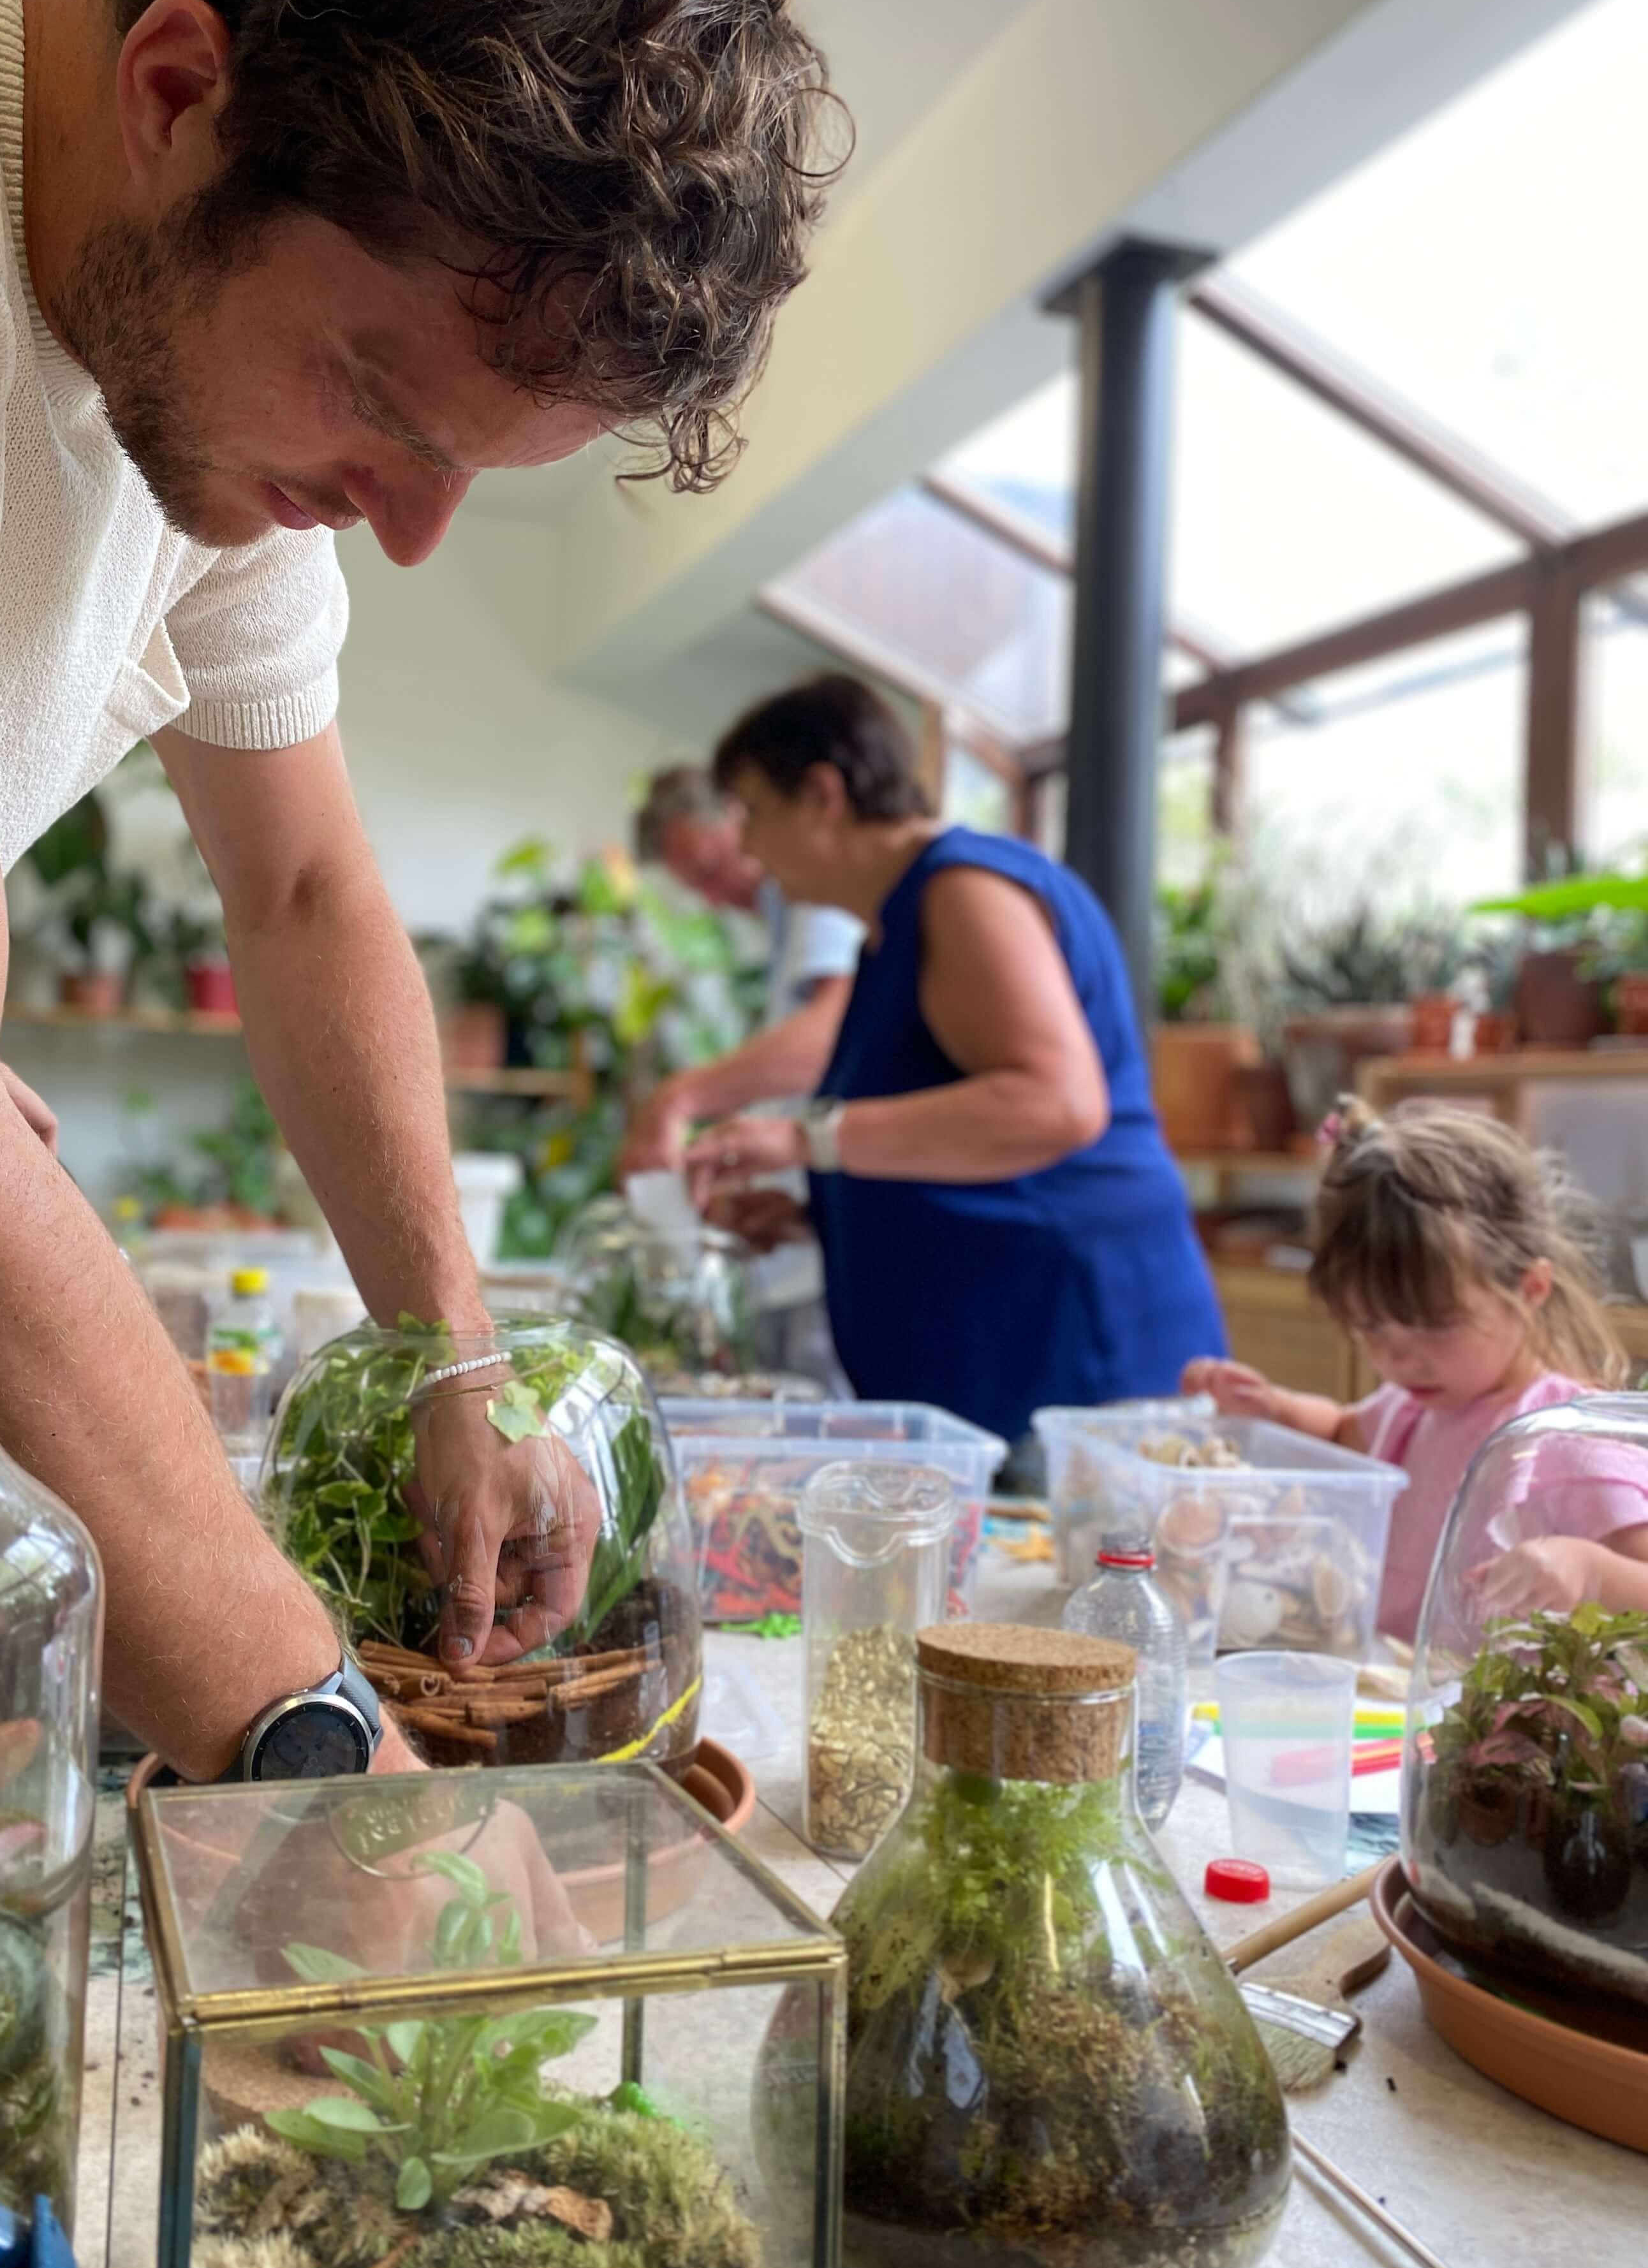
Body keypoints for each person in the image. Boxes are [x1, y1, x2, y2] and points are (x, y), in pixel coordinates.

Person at [0, 0, 835, 1781]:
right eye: (387, 415)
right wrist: (333, 1772)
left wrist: (457, 1361)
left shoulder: (203, 408)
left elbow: (307, 890)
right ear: (177, 92)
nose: (406, 536)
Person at [681, 674, 1225, 1443]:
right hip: (1004, 1374)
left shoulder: (964, 889)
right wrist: (822, 1215)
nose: (746, 847)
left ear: (822, 794)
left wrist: (807, 1139)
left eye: (753, 812)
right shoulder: (892, 929)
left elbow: (1057, 1105)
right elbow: (959, 1142)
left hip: (1077, 1367)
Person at [1184, 1095, 1648, 1641]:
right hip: (1393, 1684)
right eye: (1371, 1327)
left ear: (1530, 1289)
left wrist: (1590, 1572)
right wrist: (1272, 1409)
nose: (1399, 1358)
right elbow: (1340, 1432)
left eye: (1435, 1325)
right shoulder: (1412, 1410)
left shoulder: (1565, 1438)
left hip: (1508, 1698)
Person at [619, 763, 860, 1176]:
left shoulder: (817, 891)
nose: (716, 899)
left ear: (740, 816)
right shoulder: (782, 919)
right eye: (698, 888)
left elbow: (831, 1033)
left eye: (711, 869)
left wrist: (680, 1098)